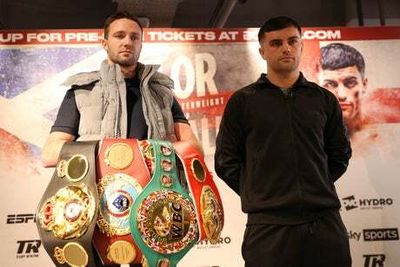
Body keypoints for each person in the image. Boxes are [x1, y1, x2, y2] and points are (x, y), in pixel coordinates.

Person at [214, 16, 352, 267]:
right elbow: (226, 162)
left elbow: (340, 154)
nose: (286, 48)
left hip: (324, 223)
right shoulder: (243, 102)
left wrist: (314, 181)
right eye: (276, 43)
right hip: (268, 229)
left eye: (292, 41)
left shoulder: (324, 100)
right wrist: (260, 191)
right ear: (263, 51)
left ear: (301, 45)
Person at [41, 11, 202, 167]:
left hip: (155, 190)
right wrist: (111, 155)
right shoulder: (80, 91)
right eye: (119, 36)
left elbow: (194, 149)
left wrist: (151, 155)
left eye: (134, 37)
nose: (127, 42)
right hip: (100, 190)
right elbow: (50, 153)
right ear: (105, 43)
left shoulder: (163, 92)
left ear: (140, 44)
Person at [318, 42, 368, 135]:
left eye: (350, 83)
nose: (341, 95)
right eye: (330, 84)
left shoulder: (385, 140)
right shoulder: (305, 137)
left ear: (364, 85)